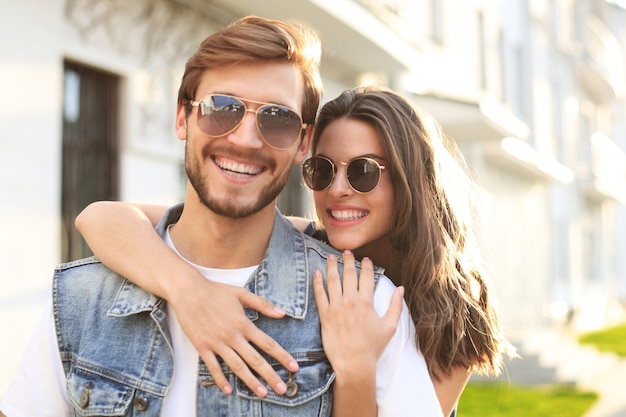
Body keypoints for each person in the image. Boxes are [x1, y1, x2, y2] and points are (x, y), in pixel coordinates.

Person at [0, 17, 443, 417]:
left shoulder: (368, 307)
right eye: (221, 108)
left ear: (303, 143)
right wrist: (188, 289)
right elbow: (99, 216)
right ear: (182, 117)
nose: (246, 139)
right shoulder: (80, 299)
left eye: (277, 119)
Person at [70, 86, 517, 416]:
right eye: (322, 170)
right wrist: (189, 291)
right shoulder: (310, 246)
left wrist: (356, 367)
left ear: (410, 178)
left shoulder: (451, 308)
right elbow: (101, 217)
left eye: (362, 172)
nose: (337, 191)